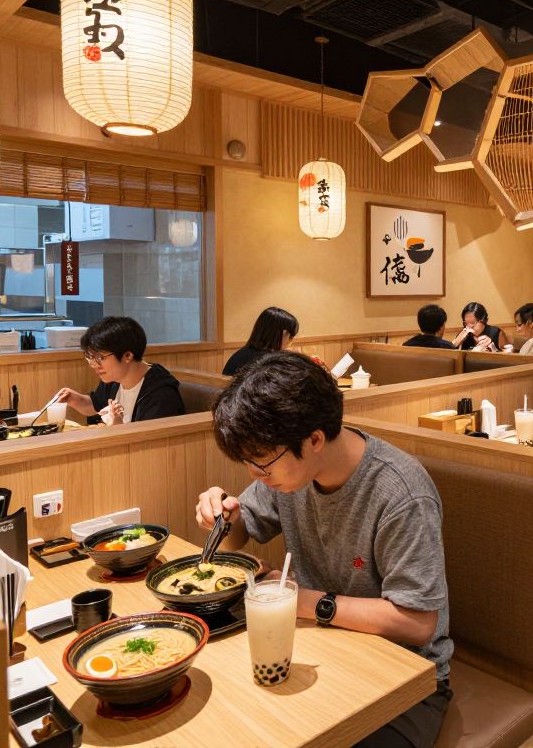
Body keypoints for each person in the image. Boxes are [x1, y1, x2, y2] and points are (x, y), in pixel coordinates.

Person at [195, 352, 453, 747]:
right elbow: (239, 535)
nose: (255, 475)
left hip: (407, 682)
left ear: (315, 438)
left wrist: (301, 601)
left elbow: (418, 623)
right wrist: (222, 518)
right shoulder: (286, 475)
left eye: (262, 462)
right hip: (322, 648)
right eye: (248, 463)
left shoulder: (400, 493)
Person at [56, 316, 184, 424]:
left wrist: (118, 428)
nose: (93, 364)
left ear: (127, 356)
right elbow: (95, 405)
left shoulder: (160, 394)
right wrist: (73, 399)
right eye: (90, 356)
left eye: (100, 357)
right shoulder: (114, 380)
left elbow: (148, 446)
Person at [223, 307, 299, 375]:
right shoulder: (270, 362)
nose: (291, 340)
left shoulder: (241, 354)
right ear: (283, 334)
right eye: (291, 335)